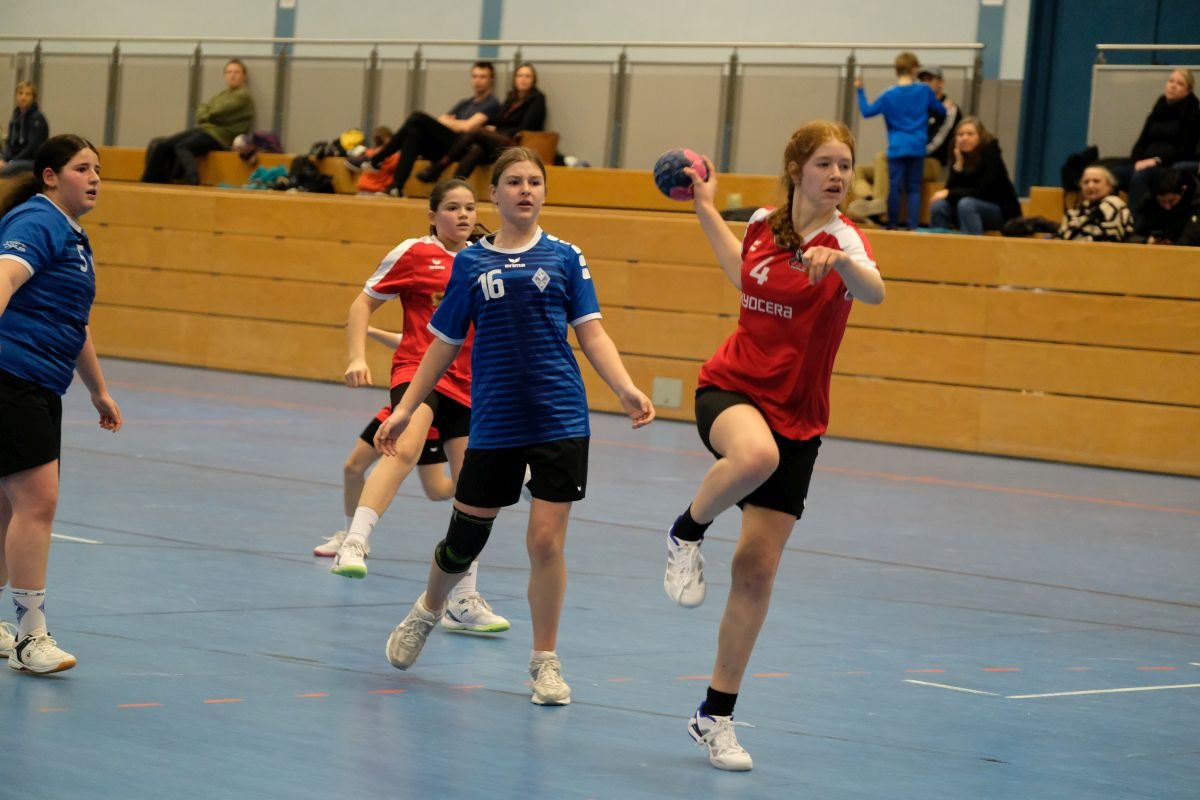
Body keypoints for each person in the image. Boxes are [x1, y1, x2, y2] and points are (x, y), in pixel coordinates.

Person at [374, 147, 655, 706]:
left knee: (545, 541)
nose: (526, 189)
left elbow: (591, 331)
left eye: (534, 181)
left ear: (544, 192)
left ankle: (544, 662)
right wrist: (406, 409)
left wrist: (625, 387)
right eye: (514, 182)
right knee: (465, 539)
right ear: (495, 194)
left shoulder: (566, 257)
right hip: (496, 417)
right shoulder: (471, 264)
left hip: (559, 415)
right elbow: (443, 343)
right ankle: (428, 609)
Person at [662, 121, 884, 771]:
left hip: (799, 416)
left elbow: (875, 290)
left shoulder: (844, 240)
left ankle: (714, 717)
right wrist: (706, 209)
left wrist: (843, 264)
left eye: (845, 165)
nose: (837, 175)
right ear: (796, 170)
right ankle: (685, 533)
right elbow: (742, 274)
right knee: (755, 457)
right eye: (824, 164)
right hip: (730, 387)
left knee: (756, 569)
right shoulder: (763, 223)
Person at [333, 177, 510, 632]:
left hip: (470, 386)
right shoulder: (414, 253)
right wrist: (356, 356)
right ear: (433, 216)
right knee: (405, 447)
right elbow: (362, 303)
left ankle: (463, 598)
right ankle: (354, 541)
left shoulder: (485, 259)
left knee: (473, 490)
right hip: (419, 372)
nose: (463, 215)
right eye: (452, 207)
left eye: (469, 207)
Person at [0, 134, 123, 674]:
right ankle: (31, 637)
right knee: (37, 502)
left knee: (7, 507)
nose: (94, 178)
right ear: (50, 176)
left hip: (42, 384)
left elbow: (75, 324)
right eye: (81, 168)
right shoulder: (38, 221)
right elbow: (5, 276)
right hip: (12, 377)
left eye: (98, 169)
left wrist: (98, 389)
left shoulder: (72, 235)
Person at [356, 62, 501, 197]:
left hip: (465, 149)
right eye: (475, 76)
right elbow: (441, 120)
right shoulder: (465, 103)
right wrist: (457, 124)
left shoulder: (491, 103)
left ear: (491, 80)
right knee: (414, 133)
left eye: (483, 77)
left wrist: (454, 123)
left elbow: (467, 127)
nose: (478, 81)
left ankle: (377, 159)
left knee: (417, 117)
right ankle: (396, 187)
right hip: (449, 146)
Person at [855, 52, 946, 230]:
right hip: (917, 146)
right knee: (914, 188)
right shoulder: (924, 90)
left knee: (894, 187)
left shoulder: (888, 94)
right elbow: (941, 111)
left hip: (897, 147)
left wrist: (860, 90)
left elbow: (867, 111)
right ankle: (912, 227)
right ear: (913, 69)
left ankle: (892, 225)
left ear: (897, 70)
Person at [418, 62, 547, 183]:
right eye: (519, 76)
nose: (523, 79)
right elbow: (498, 120)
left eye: (527, 76)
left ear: (533, 80)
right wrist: (493, 128)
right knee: (476, 149)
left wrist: (497, 131)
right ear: (515, 79)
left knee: (477, 131)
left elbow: (527, 127)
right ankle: (455, 184)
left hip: (516, 144)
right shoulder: (511, 98)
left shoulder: (537, 99)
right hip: (499, 140)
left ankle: (440, 165)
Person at [142, 59, 255, 185]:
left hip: (220, 137)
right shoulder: (221, 95)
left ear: (244, 76)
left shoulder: (244, 96)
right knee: (162, 145)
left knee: (182, 147)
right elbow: (202, 108)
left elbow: (218, 112)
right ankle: (149, 182)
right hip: (205, 130)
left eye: (236, 72)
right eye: (229, 72)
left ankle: (193, 179)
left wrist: (207, 114)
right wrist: (207, 113)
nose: (232, 75)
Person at [1108, 69, 1200, 211]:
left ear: (1188, 91)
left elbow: (1185, 150)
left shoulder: (1192, 113)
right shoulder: (1158, 109)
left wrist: (1156, 160)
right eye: (1171, 81)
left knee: (1140, 177)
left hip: (1167, 164)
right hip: (1146, 163)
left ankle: (1135, 221)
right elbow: (1141, 142)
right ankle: (1108, 216)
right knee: (1112, 175)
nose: (1173, 86)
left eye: (1180, 84)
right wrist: (1136, 161)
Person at [929, 117, 1021, 235]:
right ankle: (940, 244)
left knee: (966, 204)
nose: (964, 138)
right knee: (939, 206)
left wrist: (950, 193)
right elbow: (951, 189)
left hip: (1001, 212)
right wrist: (958, 164)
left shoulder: (990, 153)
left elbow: (983, 191)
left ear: (980, 137)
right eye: (960, 135)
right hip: (968, 207)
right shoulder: (958, 155)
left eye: (970, 134)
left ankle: (971, 244)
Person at [1056, 165, 1134, 242]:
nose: (1090, 186)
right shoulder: (1079, 209)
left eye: (1096, 181)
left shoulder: (1114, 204)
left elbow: (1104, 239)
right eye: (1086, 182)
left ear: (1109, 186)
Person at [1130, 167, 1200, 246]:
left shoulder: (1196, 201)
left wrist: (1171, 246)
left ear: (1183, 190)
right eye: (1162, 201)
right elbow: (1136, 230)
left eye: (1171, 201)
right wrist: (1146, 240)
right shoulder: (1151, 199)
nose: (1167, 207)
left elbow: (1191, 238)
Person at [0, 82, 49, 177]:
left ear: (33, 98)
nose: (23, 97)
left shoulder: (37, 118)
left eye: (27, 94)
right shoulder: (15, 117)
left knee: (7, 169)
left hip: (31, 160)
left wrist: (11, 161)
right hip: (15, 158)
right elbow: (9, 143)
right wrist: (4, 159)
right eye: (20, 93)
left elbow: (32, 147)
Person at [917, 65, 961, 170]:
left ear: (941, 83)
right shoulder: (918, 107)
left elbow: (939, 139)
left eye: (930, 80)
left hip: (936, 162)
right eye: (922, 80)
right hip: (915, 159)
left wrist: (915, 152)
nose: (925, 84)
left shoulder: (950, 109)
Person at [348, 127, 402, 196]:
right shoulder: (395, 157)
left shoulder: (368, 153)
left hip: (364, 190)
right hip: (379, 192)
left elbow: (350, 161)